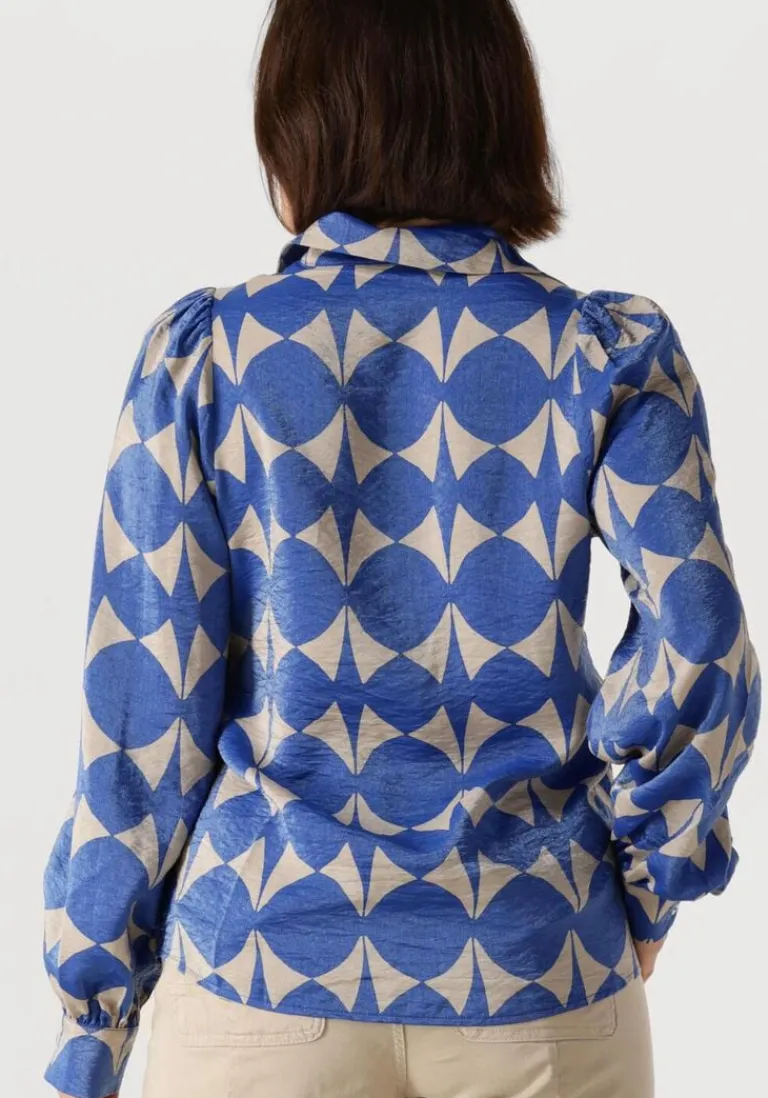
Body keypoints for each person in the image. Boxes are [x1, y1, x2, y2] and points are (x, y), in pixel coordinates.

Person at [43, 2, 761, 1097]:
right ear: (500, 111)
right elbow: (698, 637)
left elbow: (141, 717)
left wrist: (93, 1019)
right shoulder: (604, 354)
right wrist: (652, 874)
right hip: (541, 965)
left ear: (298, 122)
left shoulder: (209, 356)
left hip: (260, 977)